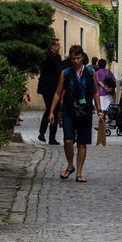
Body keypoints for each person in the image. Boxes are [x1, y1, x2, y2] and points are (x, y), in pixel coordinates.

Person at [48, 45, 103, 181]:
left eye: (78, 58)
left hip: (85, 110)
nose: (76, 61)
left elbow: (95, 92)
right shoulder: (65, 73)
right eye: (73, 59)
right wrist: (51, 112)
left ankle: (79, 173)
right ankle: (70, 165)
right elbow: (57, 93)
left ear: (82, 57)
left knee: (82, 143)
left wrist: (100, 110)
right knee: (68, 140)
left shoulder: (90, 72)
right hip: (69, 110)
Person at [36, 37, 62, 145]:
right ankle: (52, 137)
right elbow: (59, 71)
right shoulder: (56, 57)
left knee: (48, 109)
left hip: (44, 87)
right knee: (54, 111)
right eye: (57, 45)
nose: (59, 47)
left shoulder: (44, 55)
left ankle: (42, 133)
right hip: (53, 87)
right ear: (52, 46)